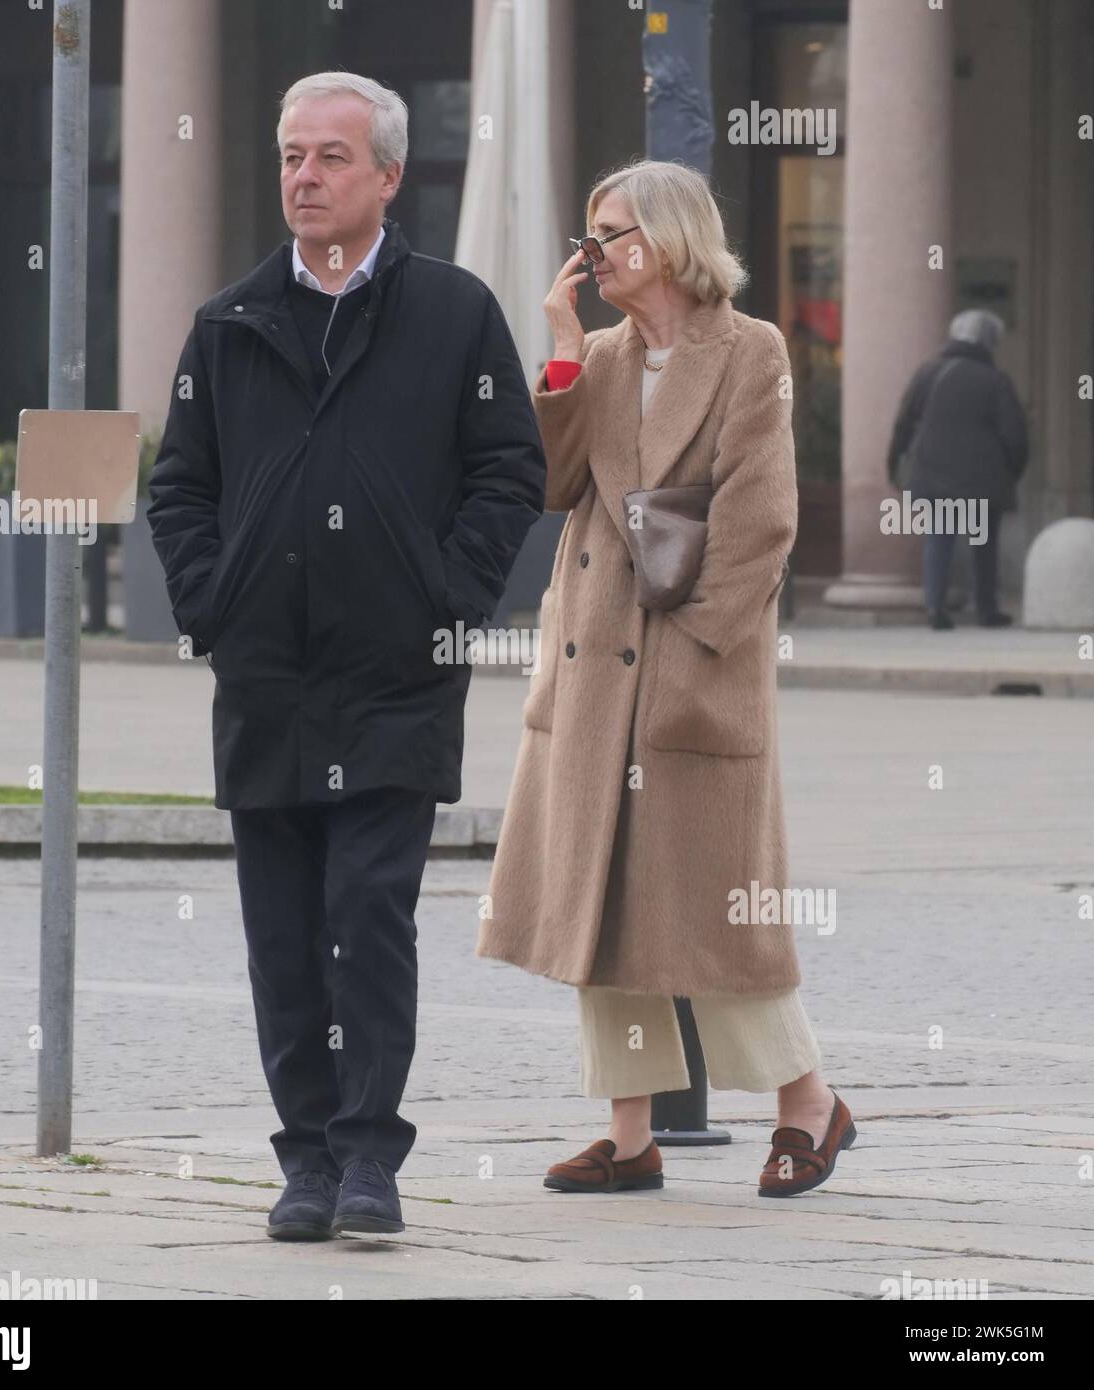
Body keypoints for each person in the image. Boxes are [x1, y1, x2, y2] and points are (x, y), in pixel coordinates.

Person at [147, 71, 544, 1241]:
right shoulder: (229, 322)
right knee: (281, 936)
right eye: (289, 157)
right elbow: (181, 485)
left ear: (385, 176)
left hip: (393, 677)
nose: (303, 178)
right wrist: (211, 603)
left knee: (366, 916)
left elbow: (509, 470)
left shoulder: (455, 312)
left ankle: (370, 1154)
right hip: (266, 677)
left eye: (328, 157)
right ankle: (306, 1161)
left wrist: (448, 590)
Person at [477, 159, 856, 1198]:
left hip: (694, 669)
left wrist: (691, 646)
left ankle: (808, 1103)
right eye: (588, 234)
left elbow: (760, 520)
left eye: (612, 234)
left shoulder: (752, 350)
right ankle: (631, 1133)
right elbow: (549, 486)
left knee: (719, 913)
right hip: (594, 670)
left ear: (673, 238)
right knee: (605, 910)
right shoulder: (599, 353)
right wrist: (559, 353)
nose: (592, 253)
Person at [887, 309, 1029, 629]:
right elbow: (1015, 436)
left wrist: (893, 462)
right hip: (983, 477)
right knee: (984, 544)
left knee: (939, 538)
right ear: (989, 341)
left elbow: (904, 423)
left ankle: (935, 608)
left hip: (934, 473)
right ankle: (986, 609)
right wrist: (1012, 472)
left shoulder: (928, 373)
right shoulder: (995, 380)